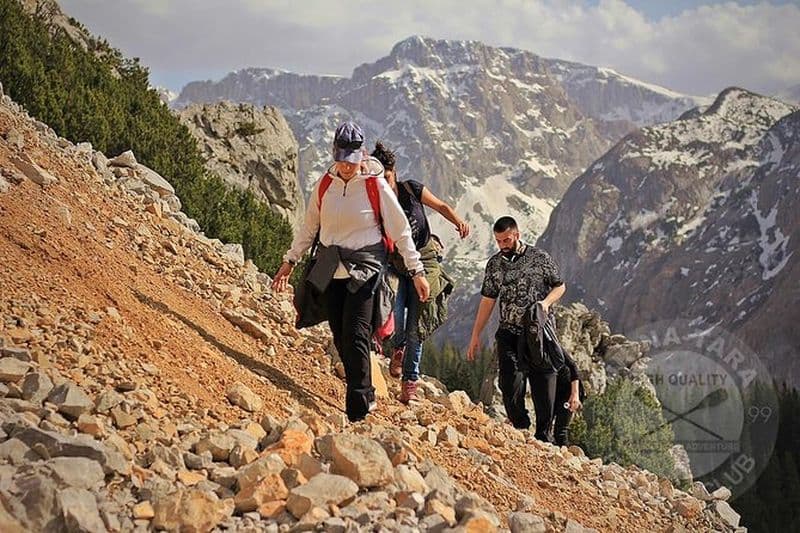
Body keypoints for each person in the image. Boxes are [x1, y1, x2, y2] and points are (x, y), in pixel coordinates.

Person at [272, 122, 430, 423]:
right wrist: (290, 260)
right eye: (342, 159)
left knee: (357, 333)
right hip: (331, 269)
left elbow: (400, 230)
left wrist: (416, 271)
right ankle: (367, 388)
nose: (346, 166)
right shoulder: (325, 186)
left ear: (362, 156)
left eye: (352, 160)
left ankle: (357, 408)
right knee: (340, 335)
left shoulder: (375, 185)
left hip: (365, 270)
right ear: (335, 154)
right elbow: (310, 228)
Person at [371, 141, 470, 403]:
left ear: (395, 172)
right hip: (398, 265)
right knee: (398, 316)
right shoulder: (377, 202)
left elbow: (440, 206)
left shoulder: (410, 189)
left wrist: (458, 221)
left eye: (387, 177)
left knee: (416, 322)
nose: (384, 184)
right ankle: (398, 348)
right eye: (379, 179)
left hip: (425, 261)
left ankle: (410, 384)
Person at [466, 216, 580, 442]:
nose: (502, 245)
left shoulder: (540, 258)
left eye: (506, 240)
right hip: (508, 332)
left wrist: (545, 304)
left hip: (539, 333)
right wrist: (475, 334)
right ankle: (520, 425)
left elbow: (560, 286)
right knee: (508, 384)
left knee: (543, 389)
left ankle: (543, 438)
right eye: (498, 241)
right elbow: (488, 300)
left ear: (516, 235)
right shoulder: (495, 264)